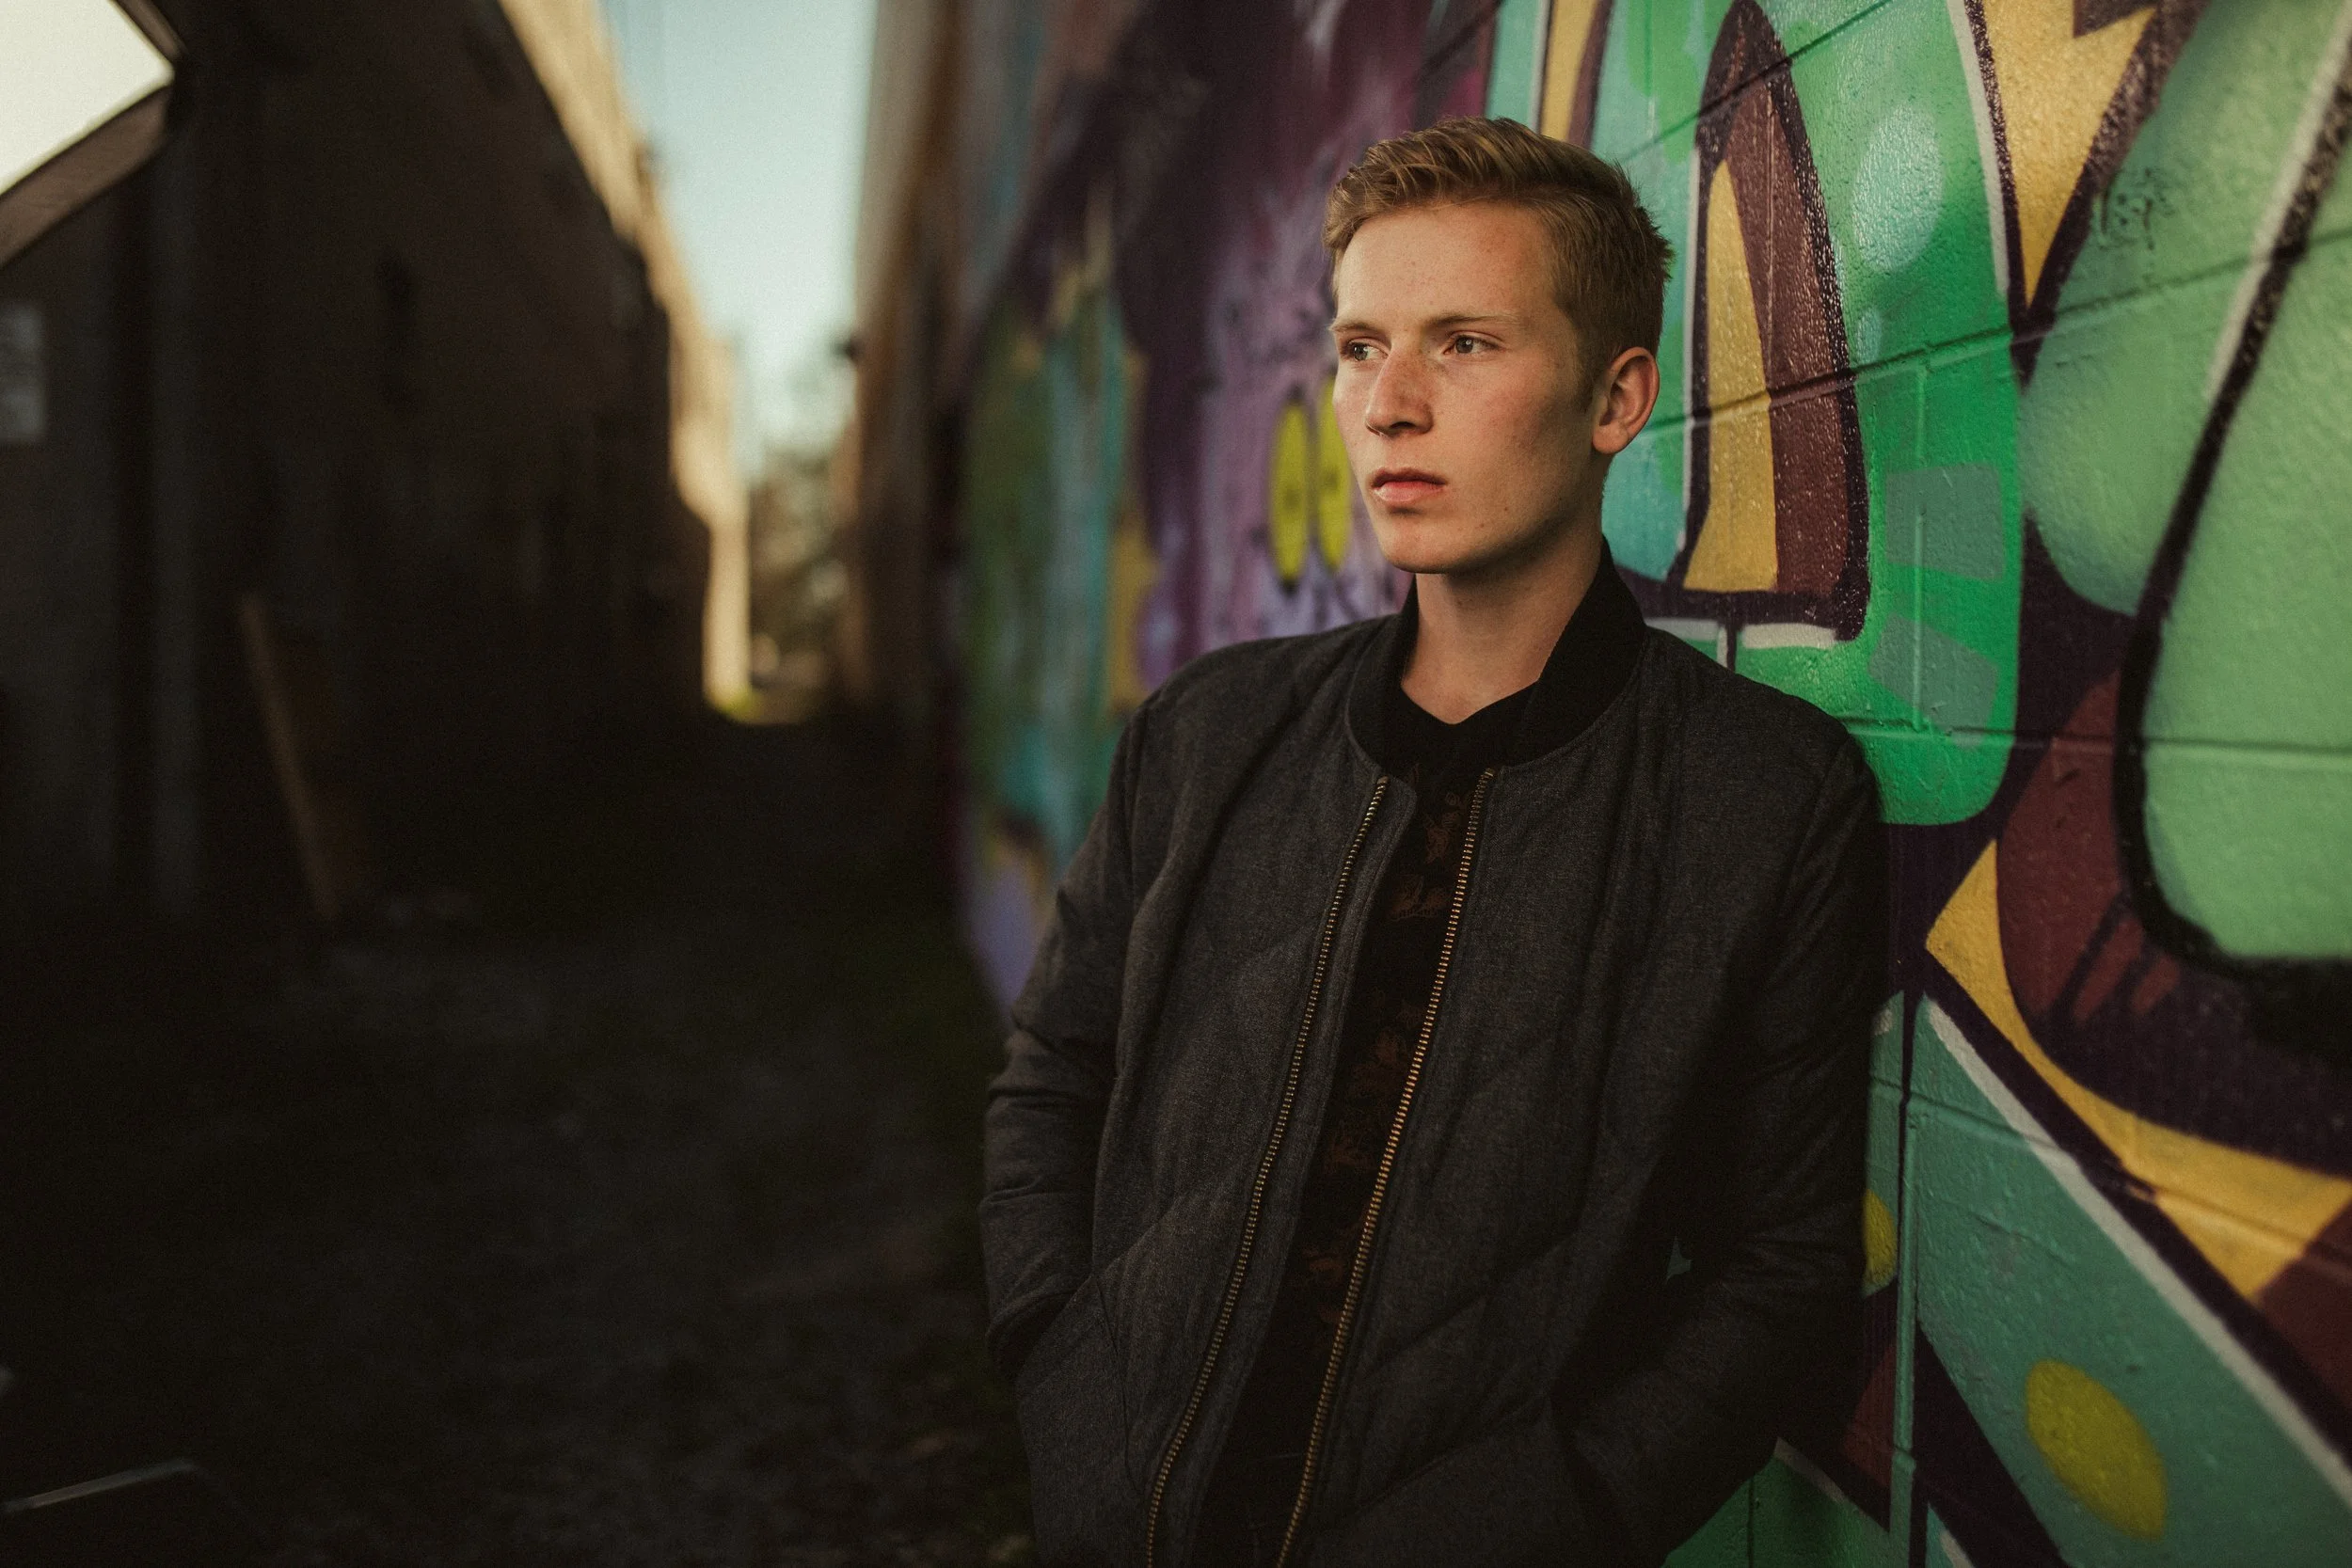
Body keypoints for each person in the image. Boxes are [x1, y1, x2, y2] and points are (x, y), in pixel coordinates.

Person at [981, 116, 1884, 1568]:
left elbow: (1774, 1276)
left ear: (1614, 398)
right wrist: (1060, 1370)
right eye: (1357, 347)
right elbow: (1055, 1076)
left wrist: (1537, 1519)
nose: (1391, 404)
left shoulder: (1762, 800)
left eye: (1463, 344)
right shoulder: (1207, 736)